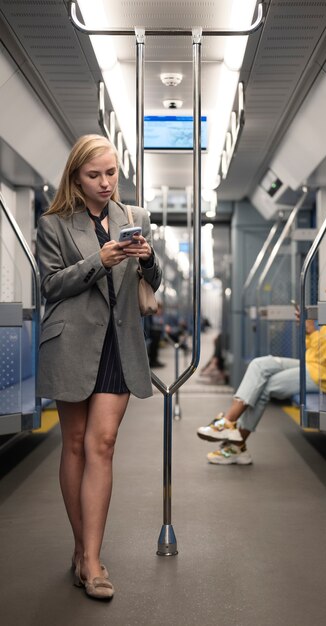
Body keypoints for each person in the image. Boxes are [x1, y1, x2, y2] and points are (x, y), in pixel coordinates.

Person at [36, 134, 162, 600]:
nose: (106, 182)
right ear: (76, 177)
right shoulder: (54, 223)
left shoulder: (135, 219)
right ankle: (81, 550)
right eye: (95, 175)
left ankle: (92, 559)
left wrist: (149, 261)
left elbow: (153, 280)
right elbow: (50, 286)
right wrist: (98, 261)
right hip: (72, 342)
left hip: (119, 340)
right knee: (74, 445)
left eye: (111, 173)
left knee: (102, 444)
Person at [197, 264, 326, 465]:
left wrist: (311, 331)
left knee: (264, 386)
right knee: (260, 364)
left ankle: (236, 445)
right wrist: (310, 332)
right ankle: (228, 424)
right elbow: (317, 351)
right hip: (316, 366)